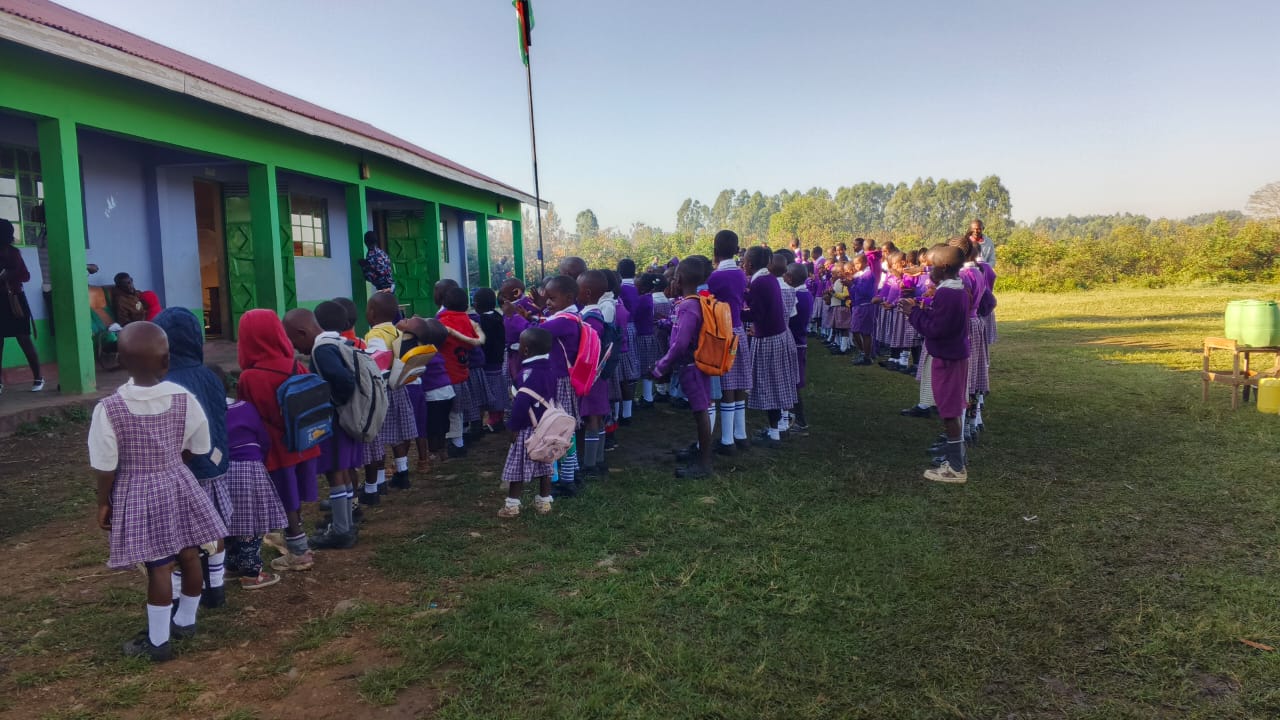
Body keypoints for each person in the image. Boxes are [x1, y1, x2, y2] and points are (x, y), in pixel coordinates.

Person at [87, 322, 228, 661]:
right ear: (166, 361)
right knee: (191, 553)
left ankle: (159, 641)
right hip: (180, 481)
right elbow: (200, 446)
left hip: (136, 489)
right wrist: (172, 459)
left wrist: (104, 501)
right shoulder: (185, 399)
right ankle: (187, 620)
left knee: (159, 566)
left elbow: (105, 465)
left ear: (120, 361)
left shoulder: (109, 409)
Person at [153, 308, 232, 608]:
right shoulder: (210, 376)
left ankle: (177, 595)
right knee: (214, 529)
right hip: (216, 464)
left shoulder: (166, 386)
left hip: (185, 472)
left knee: (181, 536)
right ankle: (217, 586)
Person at [236, 309, 322, 571]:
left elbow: (249, 415)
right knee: (293, 498)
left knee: (288, 502)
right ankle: (293, 539)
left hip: (275, 449)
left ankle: (298, 552)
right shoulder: (296, 364)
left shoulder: (249, 377)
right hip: (302, 443)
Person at [284, 306, 360, 549]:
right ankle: (345, 522)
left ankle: (341, 530)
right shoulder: (335, 342)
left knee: (335, 472)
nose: (295, 348)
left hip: (336, 420)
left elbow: (344, 380)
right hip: (344, 419)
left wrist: (334, 403)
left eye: (294, 340)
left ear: (302, 332)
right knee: (342, 470)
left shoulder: (321, 349)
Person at [900, 244, 971, 484]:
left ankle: (956, 468)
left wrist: (913, 313)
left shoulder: (948, 294)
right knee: (950, 409)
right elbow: (942, 322)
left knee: (949, 411)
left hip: (948, 358)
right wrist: (923, 310)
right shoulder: (955, 289)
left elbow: (936, 329)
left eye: (929, 266)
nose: (926, 270)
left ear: (943, 268)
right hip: (954, 355)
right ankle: (955, 458)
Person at [216, 365, 285, 590]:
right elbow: (263, 439)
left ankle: (230, 565)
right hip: (248, 469)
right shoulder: (245, 408)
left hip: (218, 472)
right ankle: (251, 573)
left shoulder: (204, 413)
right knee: (250, 522)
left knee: (224, 521)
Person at [656, 258, 714, 478]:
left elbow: (680, 343)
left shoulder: (688, 306)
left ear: (678, 279)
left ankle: (704, 464)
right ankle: (701, 455)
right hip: (698, 364)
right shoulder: (699, 300)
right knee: (700, 411)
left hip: (693, 366)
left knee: (701, 413)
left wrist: (661, 366)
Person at [741, 246, 798, 448]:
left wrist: (734, 313)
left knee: (769, 384)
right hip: (777, 336)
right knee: (776, 382)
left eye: (744, 261)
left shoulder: (759, 282)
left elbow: (757, 313)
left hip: (768, 340)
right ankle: (778, 426)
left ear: (749, 264)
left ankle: (774, 432)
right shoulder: (769, 278)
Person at [498, 326, 557, 517]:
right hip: (547, 427)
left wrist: (513, 427)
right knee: (545, 466)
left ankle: (512, 505)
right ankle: (544, 502)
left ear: (525, 350)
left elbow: (520, 404)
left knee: (518, 468)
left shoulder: (525, 375)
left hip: (526, 429)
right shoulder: (551, 370)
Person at [362, 292, 416, 499]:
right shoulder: (397, 332)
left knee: (379, 437)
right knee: (398, 434)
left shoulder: (375, 335)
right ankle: (403, 473)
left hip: (382, 392)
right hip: (399, 387)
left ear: (372, 313)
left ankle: (380, 480)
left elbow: (377, 364)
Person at [706, 230, 750, 453]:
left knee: (726, 386)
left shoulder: (715, 277)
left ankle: (726, 440)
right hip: (739, 330)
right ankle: (740, 434)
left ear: (715, 250)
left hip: (722, 334)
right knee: (739, 383)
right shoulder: (741, 274)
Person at [540, 275, 583, 495]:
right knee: (565, 430)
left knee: (558, 430)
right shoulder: (571, 316)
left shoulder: (564, 321)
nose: (547, 302)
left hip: (559, 382)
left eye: (551, 298)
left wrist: (514, 318)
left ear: (567, 297)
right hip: (562, 380)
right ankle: (571, 473)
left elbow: (533, 333)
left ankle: (562, 480)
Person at [438, 286, 484, 456]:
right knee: (460, 409)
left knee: (453, 412)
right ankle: (462, 437)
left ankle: (457, 444)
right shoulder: (468, 321)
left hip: (448, 374)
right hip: (462, 370)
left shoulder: (443, 322)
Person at [0, 219, 43, 392]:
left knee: (24, 339)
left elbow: (25, 276)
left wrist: (7, 275)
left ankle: (38, 377)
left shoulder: (13, 253)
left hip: (14, 300)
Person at [473, 288, 508, 433]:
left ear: (476, 304)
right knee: (498, 389)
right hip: (498, 360)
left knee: (490, 392)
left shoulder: (482, 321)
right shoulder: (498, 316)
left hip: (487, 361)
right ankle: (498, 418)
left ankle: (493, 420)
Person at [785, 263, 812, 434]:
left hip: (794, 342)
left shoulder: (796, 296)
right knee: (791, 382)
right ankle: (792, 417)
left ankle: (799, 421)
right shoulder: (805, 293)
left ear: (791, 278)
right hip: (799, 341)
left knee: (792, 382)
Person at [848, 254, 877, 365]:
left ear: (865, 262)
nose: (856, 266)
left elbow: (865, 292)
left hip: (866, 305)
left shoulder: (868, 275)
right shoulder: (860, 275)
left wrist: (852, 284)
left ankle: (866, 356)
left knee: (864, 332)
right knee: (855, 330)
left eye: (858, 263)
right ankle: (864, 353)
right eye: (854, 264)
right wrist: (850, 284)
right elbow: (855, 292)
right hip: (858, 305)